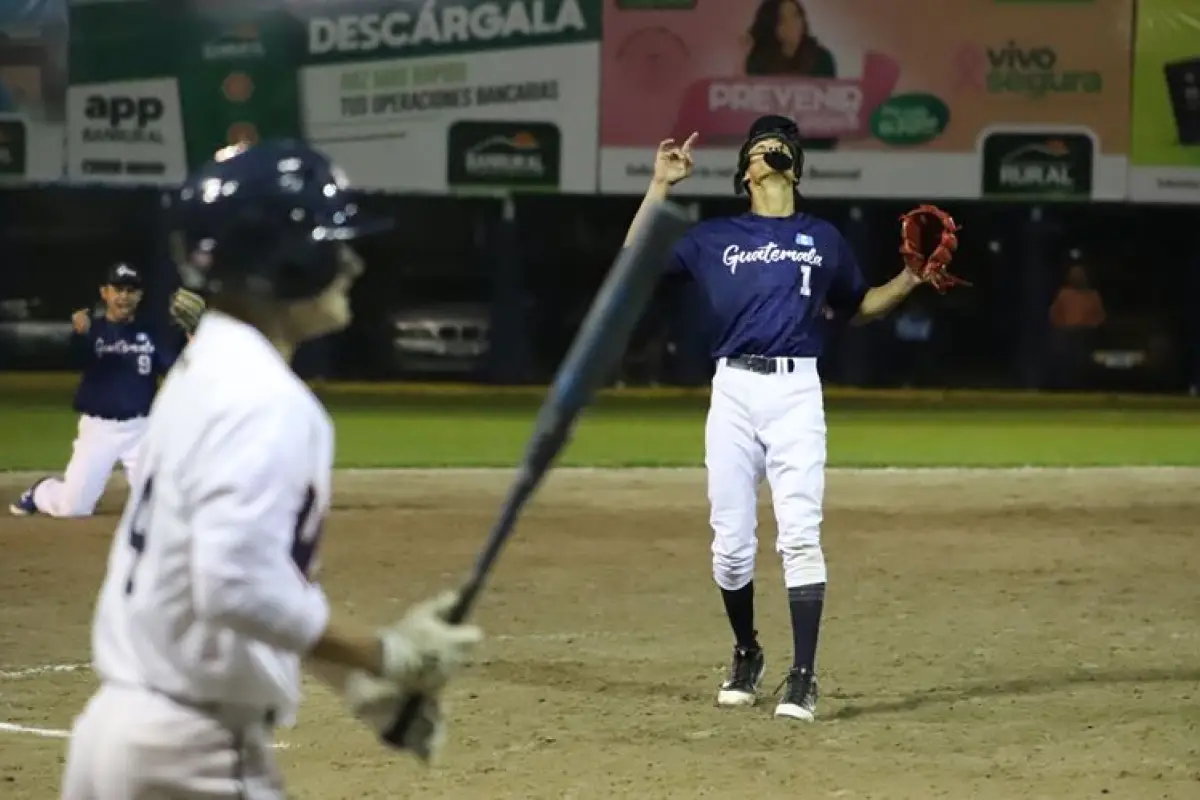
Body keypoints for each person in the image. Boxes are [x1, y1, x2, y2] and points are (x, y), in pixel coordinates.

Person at [60, 140, 484, 798]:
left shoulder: (206, 369)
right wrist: (385, 655)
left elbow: (224, 575)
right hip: (190, 755)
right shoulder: (267, 401)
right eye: (330, 245)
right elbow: (234, 585)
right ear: (284, 264)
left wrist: (353, 682)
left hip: (128, 735)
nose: (351, 263)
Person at [623, 118, 940, 721]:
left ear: (792, 165)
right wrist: (661, 184)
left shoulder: (823, 238)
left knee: (799, 534)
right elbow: (635, 262)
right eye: (763, 143)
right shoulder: (715, 236)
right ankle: (747, 652)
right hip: (734, 391)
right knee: (731, 549)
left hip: (798, 392)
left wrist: (910, 278)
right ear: (748, 169)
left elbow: (860, 306)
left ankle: (804, 675)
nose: (773, 147)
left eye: (782, 143)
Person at [9, 263, 187, 518]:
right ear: (105, 293)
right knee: (72, 509)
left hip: (142, 431)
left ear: (139, 295)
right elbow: (75, 361)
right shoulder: (94, 331)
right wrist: (80, 336)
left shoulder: (151, 333)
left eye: (131, 290)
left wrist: (189, 338)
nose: (124, 296)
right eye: (118, 289)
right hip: (99, 430)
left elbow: (174, 369)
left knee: (162, 510)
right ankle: (42, 492)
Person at [1047, 258, 1105, 390]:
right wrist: (1061, 329)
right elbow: (1054, 315)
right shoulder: (1063, 294)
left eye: (1079, 274)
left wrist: (1090, 327)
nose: (1077, 277)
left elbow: (1100, 317)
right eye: (1074, 274)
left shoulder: (1093, 295)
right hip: (1066, 335)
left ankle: (1082, 386)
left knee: (1082, 364)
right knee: (1064, 360)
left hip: (1085, 335)